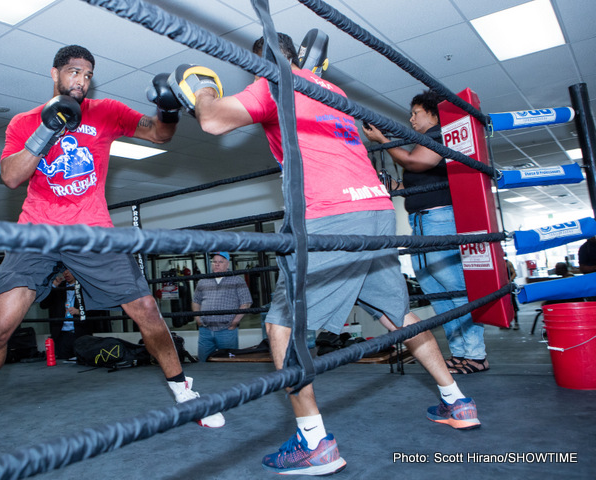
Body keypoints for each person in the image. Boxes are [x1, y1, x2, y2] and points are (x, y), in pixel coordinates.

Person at [185, 33, 479, 476]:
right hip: (376, 210)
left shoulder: (275, 81)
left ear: (258, 63)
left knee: (280, 325)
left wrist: (200, 86)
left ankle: (313, 441)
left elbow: (212, 121)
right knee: (397, 314)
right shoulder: (332, 90)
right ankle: (458, 402)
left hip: (332, 218)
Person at [0, 45, 224, 447]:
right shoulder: (24, 121)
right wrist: (47, 129)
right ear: (55, 74)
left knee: (147, 309)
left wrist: (169, 109)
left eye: (87, 74)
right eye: (73, 72)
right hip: (36, 232)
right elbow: (11, 177)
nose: (81, 81)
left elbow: (160, 134)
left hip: (90, 231)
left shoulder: (105, 112)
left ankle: (184, 392)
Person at [362, 90, 489, 375]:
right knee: (437, 292)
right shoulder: (422, 142)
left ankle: (477, 355)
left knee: (455, 289)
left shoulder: (440, 135)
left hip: (440, 219)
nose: (411, 119)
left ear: (432, 113)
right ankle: (460, 353)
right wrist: (385, 183)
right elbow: (408, 187)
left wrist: (384, 141)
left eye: (415, 113)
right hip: (420, 221)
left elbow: (417, 162)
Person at [192, 252, 253, 361]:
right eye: (214, 262)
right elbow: (196, 301)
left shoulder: (237, 280)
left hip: (226, 330)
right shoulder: (203, 281)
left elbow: (246, 302)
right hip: (205, 330)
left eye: (221, 262)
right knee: (203, 362)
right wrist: (198, 319)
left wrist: (235, 322)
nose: (217, 264)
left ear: (227, 264)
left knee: (229, 363)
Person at [39, 269, 91, 359]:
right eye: (64, 271)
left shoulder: (84, 287)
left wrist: (80, 311)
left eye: (69, 270)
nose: (66, 273)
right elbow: (43, 305)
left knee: (82, 361)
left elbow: (96, 309)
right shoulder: (59, 287)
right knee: (63, 365)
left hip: (80, 333)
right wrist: (53, 287)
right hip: (62, 334)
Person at [505, 258, 520, 330]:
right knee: (505, 305)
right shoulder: (497, 263)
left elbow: (514, 273)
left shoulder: (508, 263)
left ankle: (516, 323)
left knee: (513, 305)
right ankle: (507, 323)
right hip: (501, 287)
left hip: (509, 286)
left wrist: (509, 280)